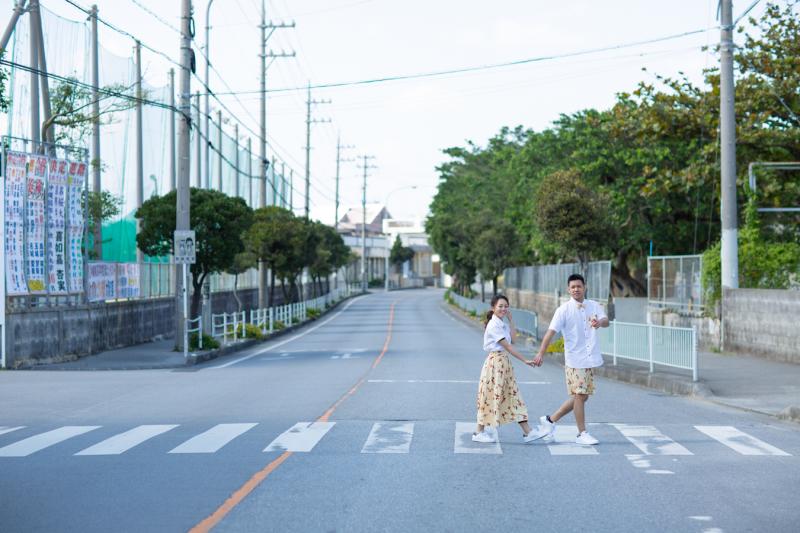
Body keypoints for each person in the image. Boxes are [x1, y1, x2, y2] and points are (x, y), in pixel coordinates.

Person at [537, 274, 609, 445]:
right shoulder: (563, 310)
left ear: (585, 288)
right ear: (568, 290)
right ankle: (581, 433)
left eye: (579, 286)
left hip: (590, 358)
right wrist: (541, 353)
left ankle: (550, 420)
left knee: (582, 397)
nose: (576, 289)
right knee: (581, 395)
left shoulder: (594, 305)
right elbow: (550, 333)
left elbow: (606, 321)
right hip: (575, 359)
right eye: (573, 287)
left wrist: (600, 322)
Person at [473, 294, 548, 444]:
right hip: (495, 363)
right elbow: (507, 346)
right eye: (500, 306)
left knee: (512, 395)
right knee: (490, 396)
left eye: (506, 306)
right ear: (493, 308)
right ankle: (479, 432)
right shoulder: (494, 326)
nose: (503, 309)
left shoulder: (502, 324)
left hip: (503, 364)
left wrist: (511, 320)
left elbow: (513, 340)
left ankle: (528, 432)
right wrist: (524, 360)